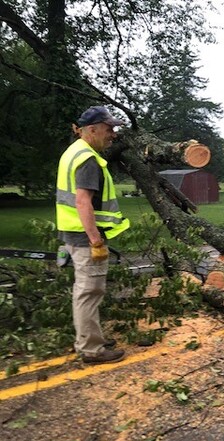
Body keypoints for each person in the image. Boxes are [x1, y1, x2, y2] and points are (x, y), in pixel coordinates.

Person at [56, 106, 130, 365]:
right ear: (92, 130)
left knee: (84, 290)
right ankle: (91, 349)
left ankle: (90, 338)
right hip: (85, 237)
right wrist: (96, 240)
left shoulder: (72, 152)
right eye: (109, 129)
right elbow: (82, 203)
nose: (113, 134)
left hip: (72, 234)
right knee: (89, 291)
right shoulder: (87, 159)